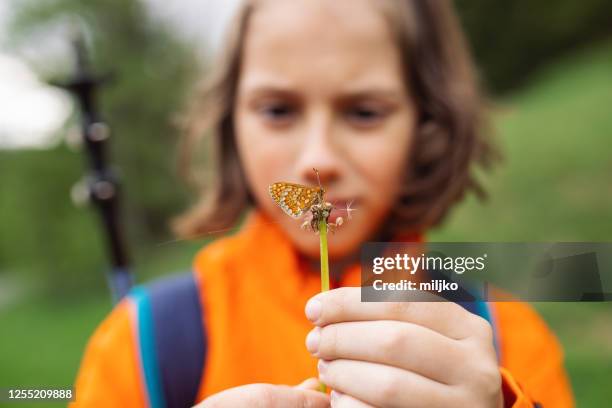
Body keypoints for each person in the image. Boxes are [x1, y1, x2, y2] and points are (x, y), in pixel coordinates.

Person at [71, 0, 574, 407]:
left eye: (364, 112)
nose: (319, 158)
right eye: (277, 110)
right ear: (230, 123)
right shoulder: (143, 344)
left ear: (427, 123)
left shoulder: (506, 336)